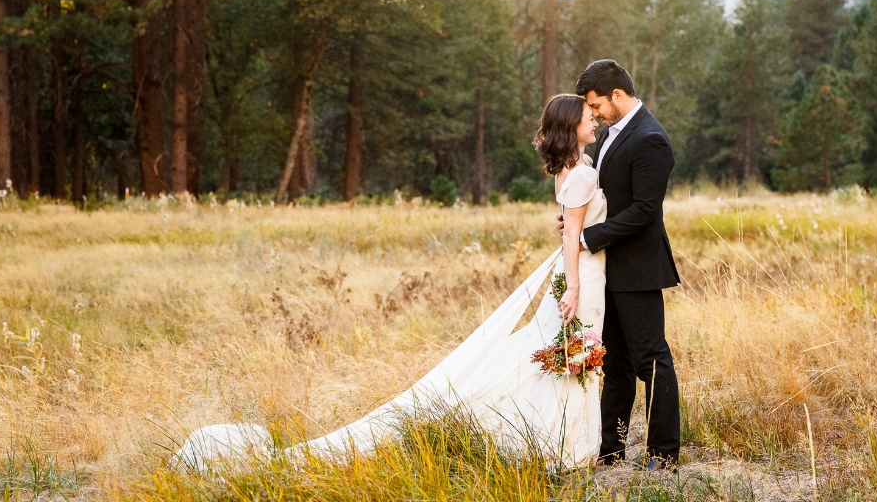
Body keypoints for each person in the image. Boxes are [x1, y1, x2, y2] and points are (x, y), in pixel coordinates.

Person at [174, 94, 611, 470]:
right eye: (588, 116)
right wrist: (572, 287)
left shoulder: (571, 170)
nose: (594, 119)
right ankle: (565, 445)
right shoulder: (584, 172)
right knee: (571, 351)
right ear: (571, 125)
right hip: (581, 276)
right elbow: (571, 234)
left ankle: (565, 440)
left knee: (566, 352)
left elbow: (569, 225)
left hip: (578, 270)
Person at [567, 59, 681, 470]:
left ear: (617, 95)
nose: (592, 113)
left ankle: (664, 455)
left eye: (595, 104)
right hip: (608, 268)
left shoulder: (650, 138)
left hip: (638, 267)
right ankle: (611, 448)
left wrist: (587, 237)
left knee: (651, 360)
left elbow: (644, 211)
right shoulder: (612, 135)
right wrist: (576, 221)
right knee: (613, 361)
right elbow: (609, 199)